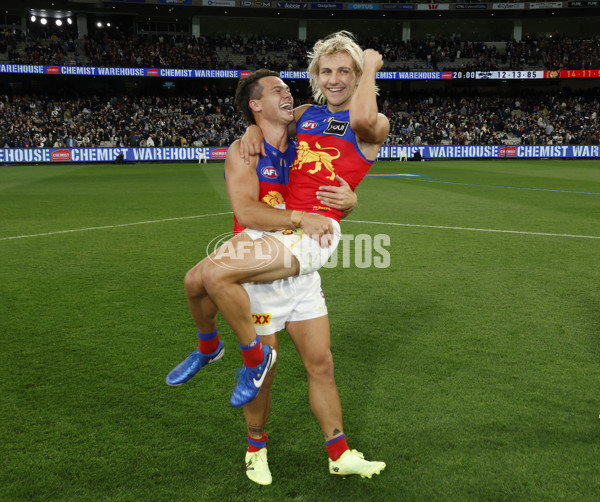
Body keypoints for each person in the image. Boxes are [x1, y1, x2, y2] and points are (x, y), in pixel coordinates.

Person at [167, 66, 386, 482]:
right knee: (260, 370)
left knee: (322, 365)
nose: (289, 95)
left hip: (298, 268)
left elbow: (342, 127)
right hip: (258, 268)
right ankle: (255, 448)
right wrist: (253, 132)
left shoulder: (304, 129)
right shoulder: (245, 150)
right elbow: (248, 212)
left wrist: (351, 199)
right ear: (255, 106)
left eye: (289, 90)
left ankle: (338, 453)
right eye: (277, 91)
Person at [195, 31, 389, 410]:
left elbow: (363, 118)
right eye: (326, 71)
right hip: (284, 232)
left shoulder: (376, 122)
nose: (334, 79)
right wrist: (250, 127)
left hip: (311, 231)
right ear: (316, 76)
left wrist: (371, 67)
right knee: (199, 280)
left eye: (345, 72)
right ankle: (264, 431)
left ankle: (238, 353)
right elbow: (270, 122)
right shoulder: (307, 115)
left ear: (356, 75)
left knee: (215, 277)